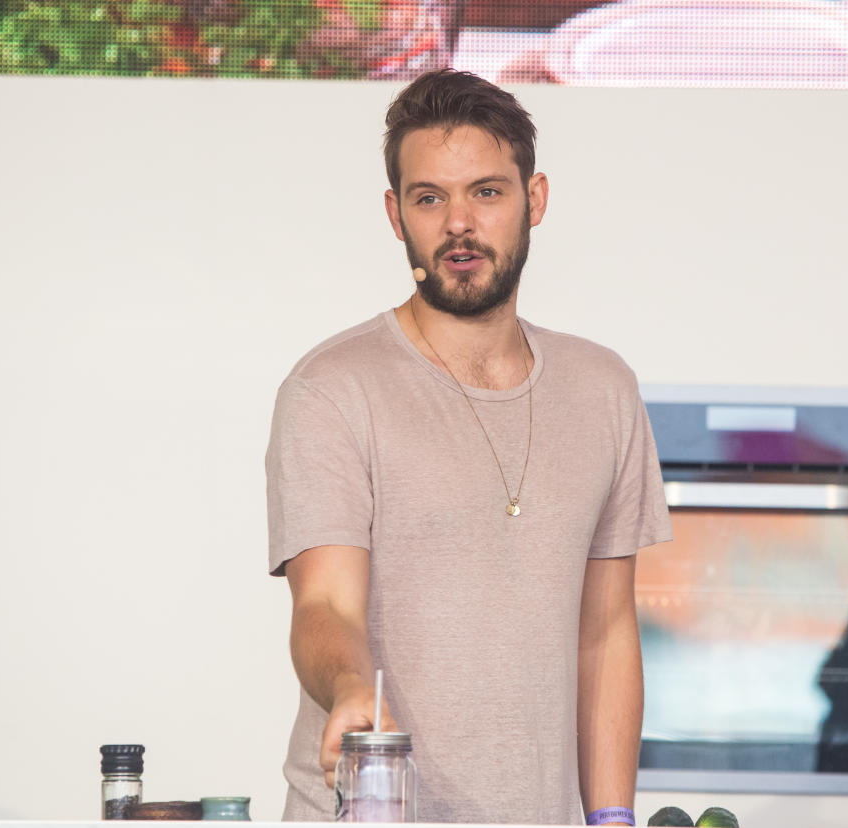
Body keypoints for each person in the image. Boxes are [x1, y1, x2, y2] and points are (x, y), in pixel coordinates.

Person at [265, 69, 673, 824]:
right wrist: (352, 688)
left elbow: (608, 632)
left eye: (485, 192)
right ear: (396, 215)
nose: (459, 223)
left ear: (534, 199)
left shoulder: (603, 388)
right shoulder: (332, 388)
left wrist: (612, 818)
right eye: (430, 198)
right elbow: (323, 602)